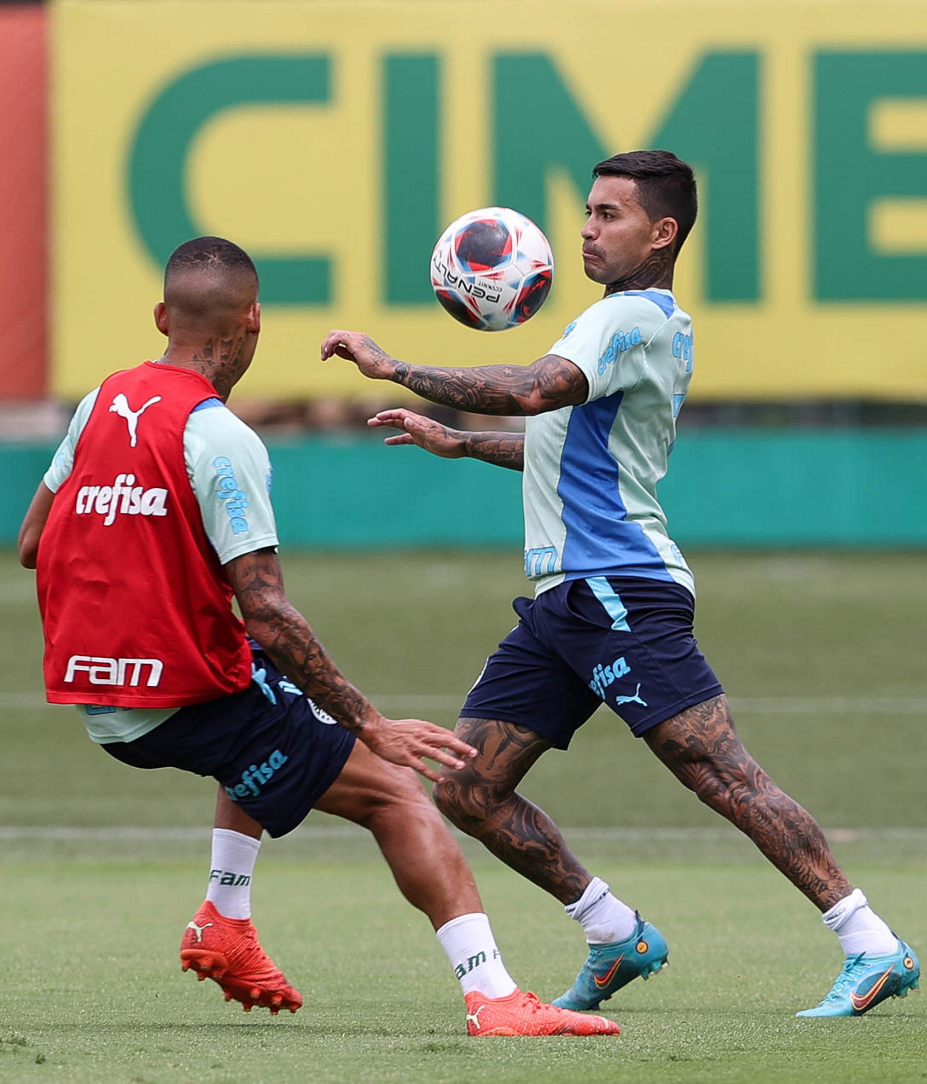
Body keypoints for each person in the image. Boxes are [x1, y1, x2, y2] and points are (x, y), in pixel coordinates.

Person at [320, 151, 920, 1017]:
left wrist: (395, 367)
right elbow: (567, 448)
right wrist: (461, 443)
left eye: (609, 215)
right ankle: (613, 932)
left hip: (619, 590)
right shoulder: (629, 323)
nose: (587, 230)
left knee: (719, 772)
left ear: (662, 233)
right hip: (565, 602)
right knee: (468, 788)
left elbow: (533, 391)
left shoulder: (628, 317)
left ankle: (871, 943)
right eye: (589, 212)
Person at [17, 236, 619, 1038]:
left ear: (162, 317)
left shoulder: (100, 402)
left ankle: (226, 918)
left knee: (263, 686)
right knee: (394, 791)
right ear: (254, 321)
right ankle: (495, 997)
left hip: (97, 692)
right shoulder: (219, 437)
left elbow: (33, 543)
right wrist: (373, 724)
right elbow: (269, 611)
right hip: (177, 697)